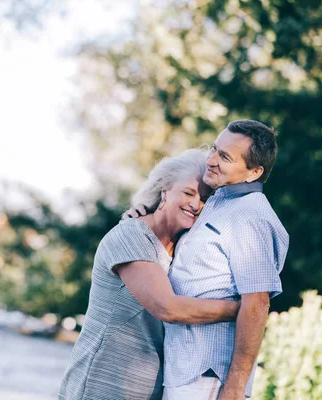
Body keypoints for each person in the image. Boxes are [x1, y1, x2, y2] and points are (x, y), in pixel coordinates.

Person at [58, 149, 241, 400]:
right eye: (188, 193)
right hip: (100, 385)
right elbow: (168, 308)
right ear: (164, 192)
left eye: (206, 200)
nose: (196, 204)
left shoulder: (185, 249)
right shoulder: (131, 235)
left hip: (149, 391)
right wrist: (243, 310)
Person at [130, 120, 289, 400]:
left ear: (254, 172)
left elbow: (257, 304)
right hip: (184, 369)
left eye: (225, 157)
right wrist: (148, 214)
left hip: (210, 378)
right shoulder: (218, 202)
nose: (212, 161)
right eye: (215, 149)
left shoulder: (250, 216)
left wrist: (235, 388)